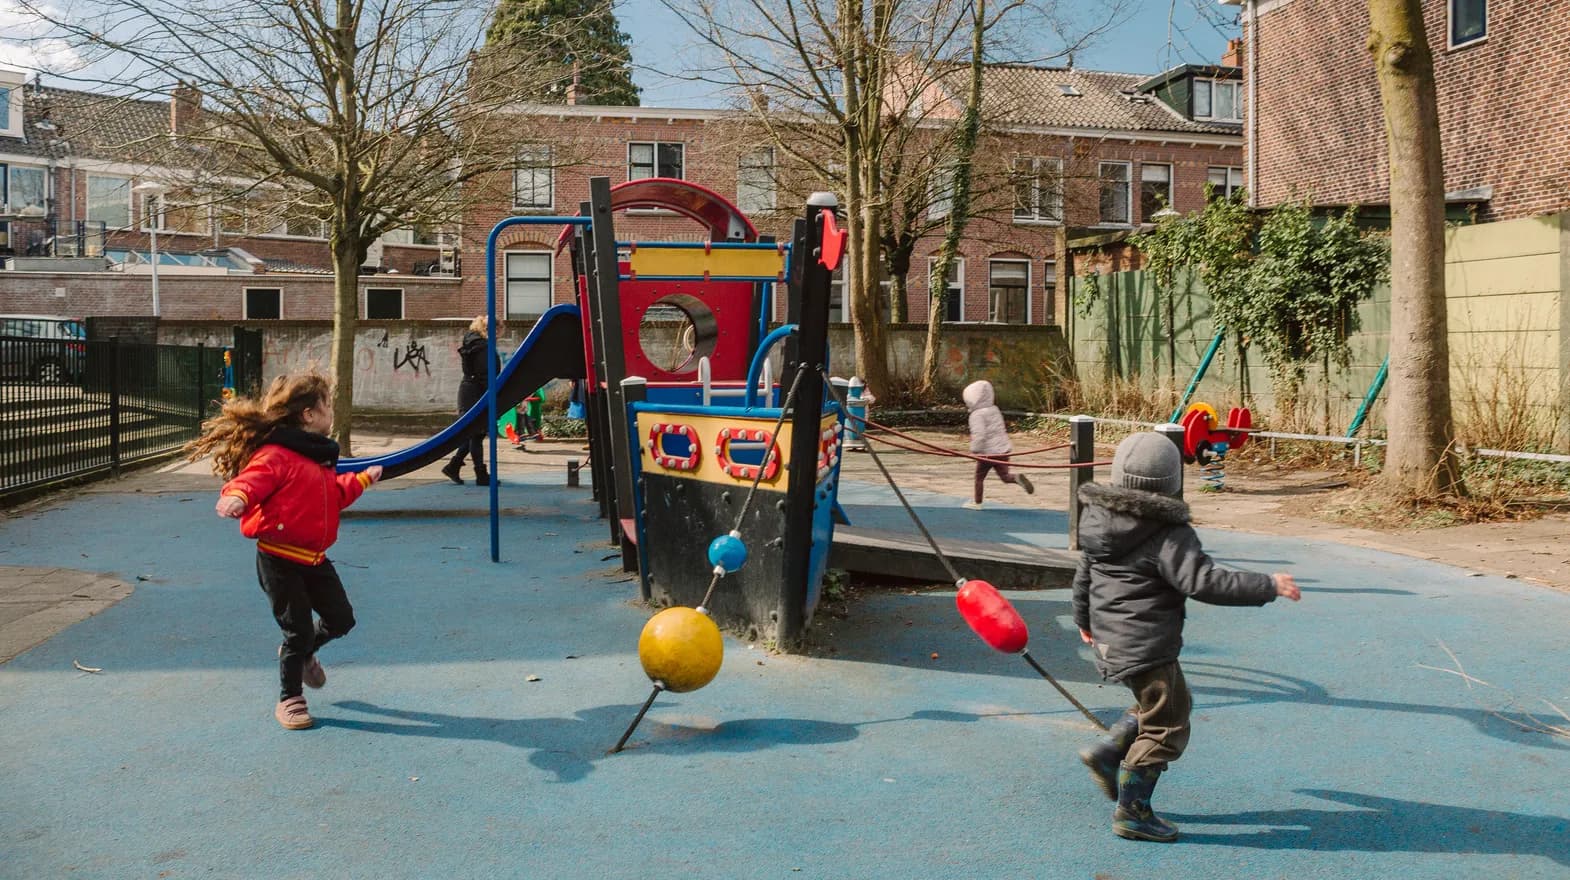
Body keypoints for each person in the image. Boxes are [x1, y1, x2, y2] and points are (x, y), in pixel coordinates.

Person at [1071, 431, 1300, 842]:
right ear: (1173, 482)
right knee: (1168, 725)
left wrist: (1083, 620)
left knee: (1167, 702)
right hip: (1145, 644)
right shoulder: (1168, 533)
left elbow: (1084, 575)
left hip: (1108, 636)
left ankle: (1108, 753)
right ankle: (1133, 811)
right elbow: (1206, 582)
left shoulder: (1098, 520)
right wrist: (1267, 585)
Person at [184, 372, 382, 731]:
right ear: (308, 414)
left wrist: (363, 480)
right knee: (297, 630)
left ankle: (303, 652)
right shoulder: (277, 454)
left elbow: (333, 496)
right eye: (327, 405)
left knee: (342, 619)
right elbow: (253, 478)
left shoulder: (318, 458)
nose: (331, 412)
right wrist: (237, 496)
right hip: (279, 559)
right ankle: (290, 699)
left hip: (314, 559)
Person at [442, 316, 500, 486]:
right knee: (476, 434)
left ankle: (453, 466)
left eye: (498, 328)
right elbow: (485, 374)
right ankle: (481, 475)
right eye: (495, 328)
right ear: (486, 328)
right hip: (476, 393)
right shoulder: (482, 347)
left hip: (471, 391)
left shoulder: (476, 344)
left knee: (474, 434)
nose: (497, 332)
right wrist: (491, 395)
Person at [961, 379, 1033, 510]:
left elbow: (980, 435)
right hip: (1003, 449)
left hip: (987, 453)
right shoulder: (994, 409)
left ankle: (977, 503)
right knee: (1005, 476)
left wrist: (974, 450)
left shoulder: (976, 415)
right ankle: (1016, 478)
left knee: (979, 478)